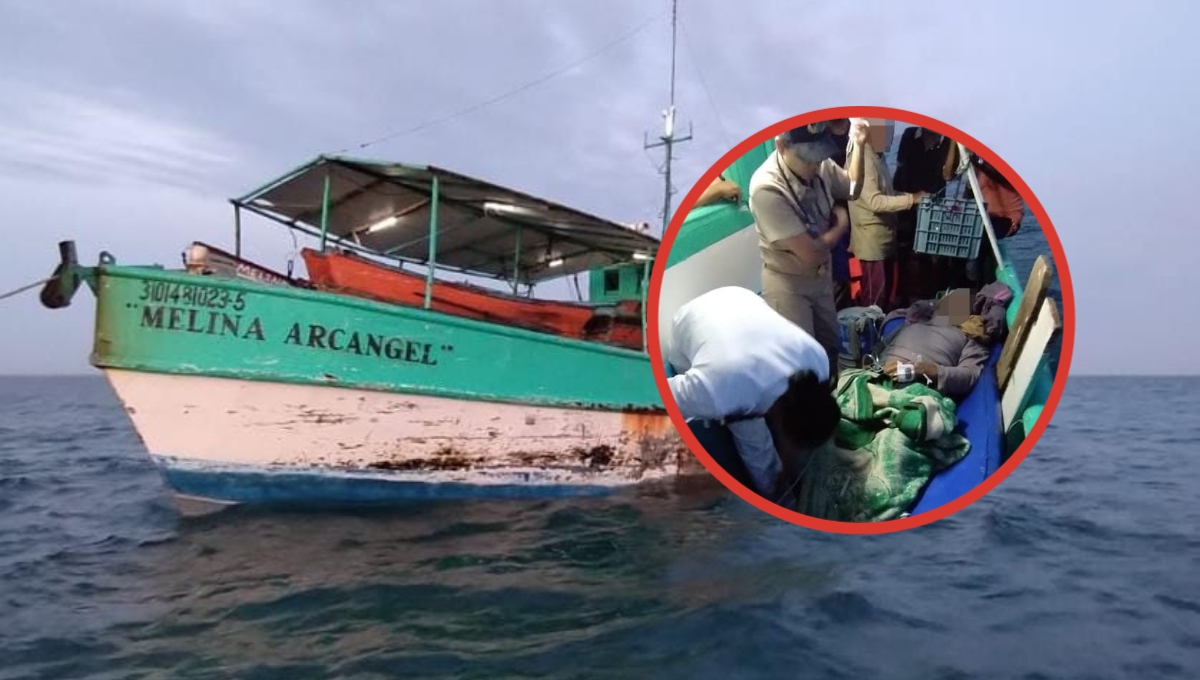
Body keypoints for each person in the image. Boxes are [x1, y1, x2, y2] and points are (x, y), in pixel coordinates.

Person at [665, 286, 841, 502]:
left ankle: (779, 496)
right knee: (748, 431)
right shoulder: (719, 391)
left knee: (748, 420)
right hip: (691, 317)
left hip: (739, 296)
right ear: (779, 421)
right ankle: (778, 499)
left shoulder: (818, 361)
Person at [747, 119, 868, 380]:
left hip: (820, 277)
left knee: (831, 348)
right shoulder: (766, 188)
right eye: (807, 158)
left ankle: (833, 404)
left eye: (818, 156)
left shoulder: (820, 164)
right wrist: (842, 224)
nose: (815, 165)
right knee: (802, 364)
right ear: (781, 146)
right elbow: (810, 252)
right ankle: (809, 416)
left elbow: (851, 188)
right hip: (788, 284)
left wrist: (857, 144)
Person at [847, 135, 926, 311]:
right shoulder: (862, 159)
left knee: (885, 300)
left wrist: (913, 196)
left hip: (885, 242)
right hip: (871, 247)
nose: (888, 136)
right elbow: (875, 202)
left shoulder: (878, 156)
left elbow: (887, 193)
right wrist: (911, 200)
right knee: (872, 305)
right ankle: (869, 337)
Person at [877, 288, 990, 400]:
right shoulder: (911, 326)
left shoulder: (969, 337)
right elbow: (877, 350)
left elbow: (969, 375)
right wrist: (873, 366)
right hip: (878, 377)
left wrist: (932, 371)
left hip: (917, 388)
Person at [892, 127, 959, 303]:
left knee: (931, 256)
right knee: (903, 253)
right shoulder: (909, 134)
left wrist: (953, 139)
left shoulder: (947, 141)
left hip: (933, 208)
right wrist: (898, 200)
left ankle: (931, 300)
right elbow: (900, 169)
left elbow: (948, 174)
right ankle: (903, 299)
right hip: (907, 204)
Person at [965, 154, 1026, 284]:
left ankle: (979, 288)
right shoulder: (975, 168)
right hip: (985, 219)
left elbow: (1002, 176)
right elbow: (969, 196)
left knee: (979, 240)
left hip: (1007, 218)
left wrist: (977, 159)